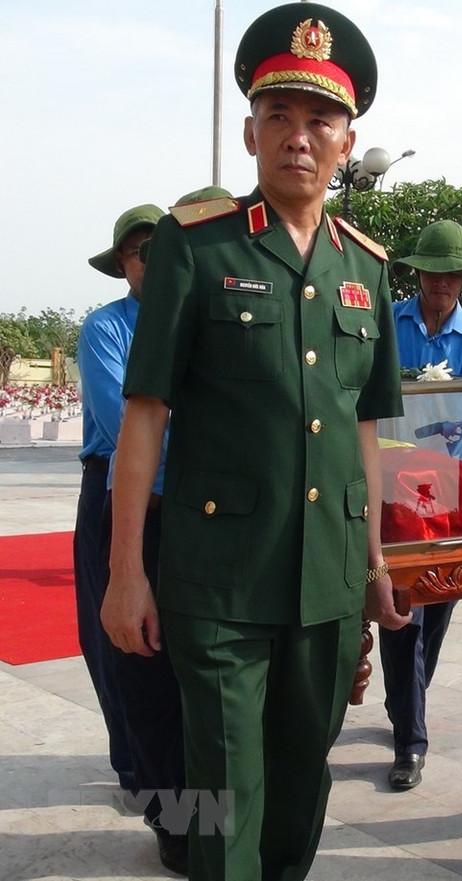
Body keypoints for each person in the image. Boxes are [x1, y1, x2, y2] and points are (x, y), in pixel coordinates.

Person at [99, 6, 410, 881]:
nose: (299, 137)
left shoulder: (368, 270)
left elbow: (363, 427)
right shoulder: (195, 249)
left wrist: (375, 565)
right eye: (280, 116)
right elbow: (145, 416)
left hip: (327, 580)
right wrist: (128, 572)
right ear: (249, 130)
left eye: (320, 121)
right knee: (223, 792)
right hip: (218, 580)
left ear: (348, 142)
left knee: (300, 784)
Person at [380, 220, 462, 789]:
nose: (441, 284)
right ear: (418, 274)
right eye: (433, 273)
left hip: (454, 480)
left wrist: (428, 441)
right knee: (403, 602)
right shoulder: (387, 320)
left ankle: (407, 701)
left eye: (452, 275)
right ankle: (411, 739)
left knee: (441, 598)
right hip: (392, 475)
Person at [76, 204, 162, 803]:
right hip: (114, 489)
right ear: (123, 265)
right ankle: (133, 768)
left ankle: (171, 777)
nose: (150, 264)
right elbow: (123, 420)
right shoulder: (107, 329)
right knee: (114, 632)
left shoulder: (198, 321)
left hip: (187, 499)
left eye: (161, 249)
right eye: (139, 253)